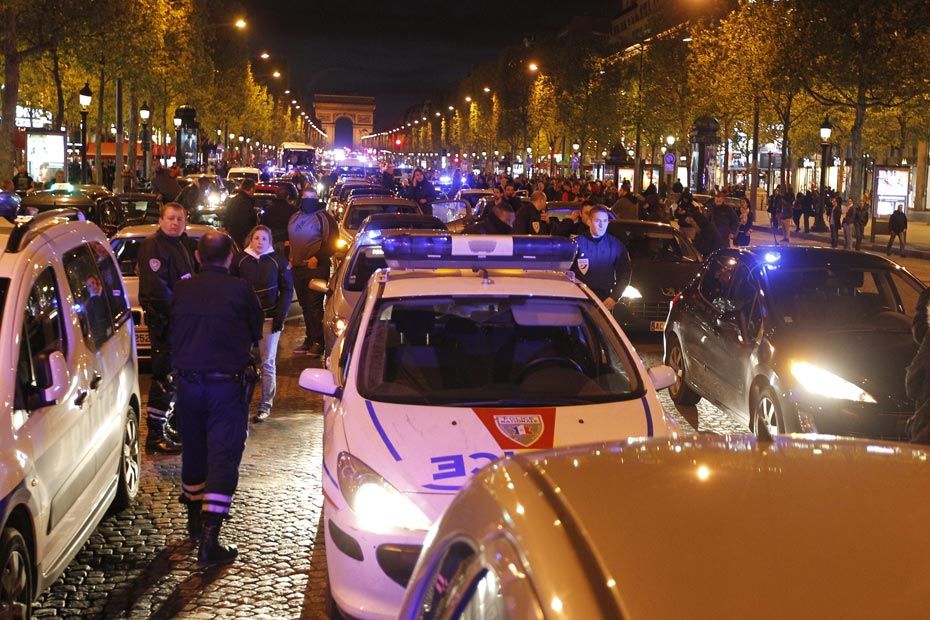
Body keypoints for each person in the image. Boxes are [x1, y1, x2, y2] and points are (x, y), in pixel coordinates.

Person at [172, 230, 263, 566]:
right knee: (223, 456)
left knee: (193, 451)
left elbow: (170, 330)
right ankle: (210, 540)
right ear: (230, 257)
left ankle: (194, 521)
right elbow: (256, 330)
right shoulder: (241, 290)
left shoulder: (182, 289)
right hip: (225, 386)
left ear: (198, 257)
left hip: (188, 385)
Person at [137, 202, 196, 453]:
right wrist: (180, 309)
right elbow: (157, 288)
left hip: (179, 321)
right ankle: (154, 435)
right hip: (165, 321)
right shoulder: (154, 245)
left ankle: (170, 425)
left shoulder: (180, 244)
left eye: (179, 219)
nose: (175, 223)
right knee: (164, 377)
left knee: (176, 375)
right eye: (171, 218)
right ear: (160, 221)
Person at [231, 225, 293, 422]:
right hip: (245, 320)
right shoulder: (240, 260)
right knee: (240, 361)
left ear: (270, 241)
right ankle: (239, 402)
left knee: (267, 362)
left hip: (269, 319)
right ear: (251, 239)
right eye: (256, 238)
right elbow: (232, 288)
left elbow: (287, 289)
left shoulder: (277, 261)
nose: (260, 242)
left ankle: (265, 405)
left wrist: (280, 314)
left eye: (264, 239)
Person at [288, 189, 338, 356]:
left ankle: (318, 342)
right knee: (305, 306)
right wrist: (290, 257)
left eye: (312, 198)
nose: (308, 200)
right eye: (305, 197)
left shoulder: (324, 218)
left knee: (314, 305)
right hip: (298, 268)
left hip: (316, 268)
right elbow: (291, 240)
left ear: (316, 199)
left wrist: (317, 257)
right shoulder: (295, 217)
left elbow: (333, 243)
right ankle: (309, 339)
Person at [572, 206, 632, 310]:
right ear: (589, 222)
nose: (601, 225)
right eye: (597, 221)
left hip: (605, 300)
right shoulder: (576, 244)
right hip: (580, 299)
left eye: (604, 221)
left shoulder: (616, 245)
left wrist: (614, 297)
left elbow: (625, 273)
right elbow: (566, 272)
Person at [224, 179, 257, 248]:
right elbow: (246, 221)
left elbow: (226, 217)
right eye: (254, 189)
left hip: (232, 236)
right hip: (242, 239)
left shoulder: (233, 200)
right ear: (251, 189)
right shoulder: (246, 202)